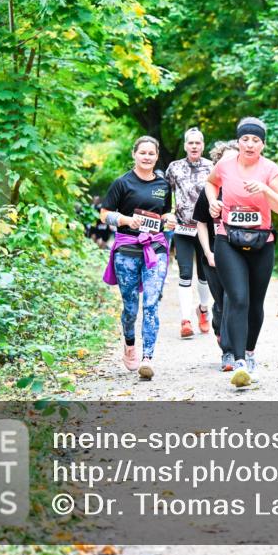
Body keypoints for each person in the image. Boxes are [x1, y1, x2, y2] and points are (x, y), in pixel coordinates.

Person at [204, 118, 278, 388]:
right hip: (227, 238)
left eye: (256, 140)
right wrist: (213, 202)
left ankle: (250, 352)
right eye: (245, 139)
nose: (250, 144)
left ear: (263, 144)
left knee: (255, 303)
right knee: (238, 298)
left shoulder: (270, 169)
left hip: (262, 242)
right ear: (238, 141)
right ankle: (239, 362)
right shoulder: (225, 165)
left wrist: (265, 189)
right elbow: (209, 183)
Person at [100, 136, 176, 380]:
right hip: (127, 250)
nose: (147, 157)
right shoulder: (122, 183)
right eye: (142, 152)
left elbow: (165, 213)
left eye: (151, 153)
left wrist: (169, 220)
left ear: (156, 156)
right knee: (131, 307)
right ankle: (130, 344)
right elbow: (104, 215)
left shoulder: (163, 185)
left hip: (155, 248)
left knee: (151, 303)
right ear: (134, 154)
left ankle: (148, 358)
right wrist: (124, 220)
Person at [193, 139, 239, 371]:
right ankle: (220, 330)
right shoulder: (210, 190)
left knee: (237, 300)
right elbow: (201, 222)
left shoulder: (246, 186)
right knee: (221, 302)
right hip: (214, 254)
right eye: (225, 159)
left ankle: (232, 352)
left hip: (242, 254)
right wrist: (208, 252)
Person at [164, 128, 214, 339]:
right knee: (185, 273)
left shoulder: (213, 167)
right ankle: (185, 320)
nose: (194, 146)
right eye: (190, 143)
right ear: (185, 145)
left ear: (203, 145)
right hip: (183, 228)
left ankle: (203, 309)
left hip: (205, 228)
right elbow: (166, 194)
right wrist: (167, 214)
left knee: (204, 275)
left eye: (198, 143)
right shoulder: (174, 168)